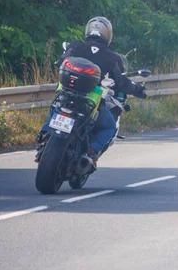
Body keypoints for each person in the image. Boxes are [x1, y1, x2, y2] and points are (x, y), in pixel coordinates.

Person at [36, 16, 147, 166]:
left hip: (66, 93)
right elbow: (121, 83)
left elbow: (60, 61)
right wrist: (138, 89)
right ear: (108, 34)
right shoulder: (112, 57)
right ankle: (90, 152)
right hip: (90, 100)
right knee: (109, 127)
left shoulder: (75, 46)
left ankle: (45, 135)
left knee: (56, 107)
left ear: (88, 30)